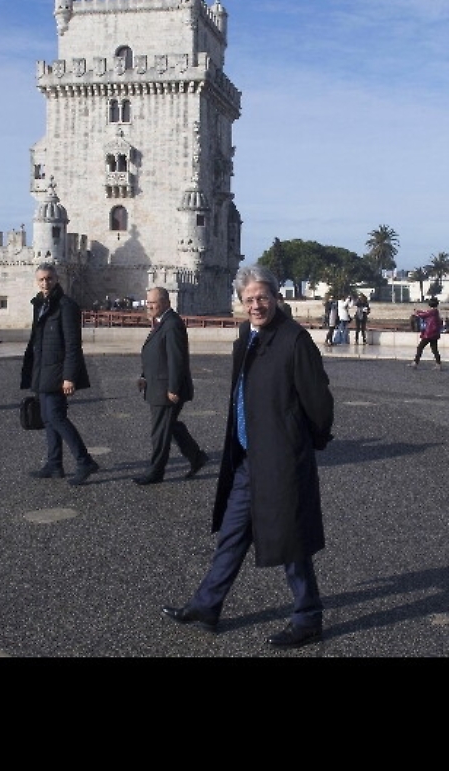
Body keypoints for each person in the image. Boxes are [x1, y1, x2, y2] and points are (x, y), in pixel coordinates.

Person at [161, 264, 334, 648]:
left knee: (291, 541)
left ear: (276, 298)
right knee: (232, 535)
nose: (256, 305)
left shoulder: (294, 340)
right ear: (240, 302)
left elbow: (319, 403)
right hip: (247, 459)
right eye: (249, 299)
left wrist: (305, 443)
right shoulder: (246, 336)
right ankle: (207, 605)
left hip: (281, 459)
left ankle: (308, 618)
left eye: (262, 298)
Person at [21, 264, 100, 485]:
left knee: (57, 417)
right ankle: (54, 464)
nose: (45, 283)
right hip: (42, 370)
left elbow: (73, 345)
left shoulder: (66, 306)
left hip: (58, 372)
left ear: (57, 279)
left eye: (49, 279)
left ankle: (85, 461)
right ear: (37, 281)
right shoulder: (40, 305)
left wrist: (69, 377)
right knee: (47, 418)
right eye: (41, 280)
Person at [133, 287, 209, 485]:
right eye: (148, 302)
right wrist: (144, 376)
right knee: (171, 426)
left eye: (153, 302)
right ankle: (196, 457)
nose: (149, 306)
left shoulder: (172, 324)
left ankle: (155, 472)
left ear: (166, 302)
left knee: (160, 432)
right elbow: (156, 356)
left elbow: (177, 360)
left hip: (166, 389)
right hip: (157, 385)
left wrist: (173, 388)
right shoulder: (163, 322)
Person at [409, 297, 442, 370]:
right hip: (434, 333)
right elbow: (425, 313)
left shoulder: (432, 312)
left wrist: (416, 312)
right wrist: (419, 311)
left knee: (420, 347)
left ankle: (415, 363)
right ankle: (438, 364)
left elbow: (423, 314)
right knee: (434, 349)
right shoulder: (435, 312)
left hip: (429, 333)